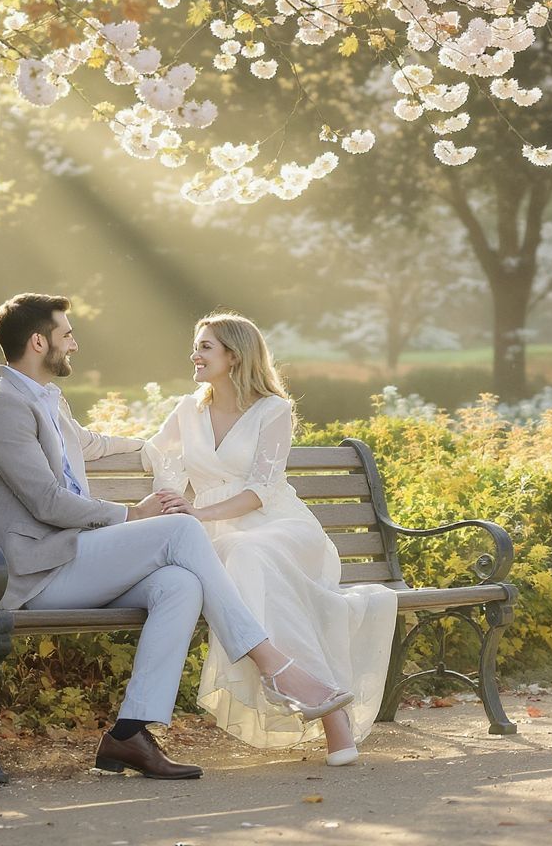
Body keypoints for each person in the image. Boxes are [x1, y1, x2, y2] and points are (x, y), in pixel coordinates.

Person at [0, 294, 359, 779]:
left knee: (180, 584)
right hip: (37, 572)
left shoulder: (43, 397)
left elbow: (89, 445)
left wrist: (164, 443)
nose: (74, 343)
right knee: (179, 527)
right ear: (38, 341)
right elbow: (48, 503)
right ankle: (274, 664)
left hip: (72, 560)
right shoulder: (3, 406)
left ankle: (129, 735)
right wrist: (134, 512)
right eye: (67, 334)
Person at [143, 312, 398, 765]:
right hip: (217, 535)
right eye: (196, 345)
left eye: (205, 346)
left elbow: (261, 491)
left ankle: (304, 691)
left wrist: (197, 511)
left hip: (280, 527)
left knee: (251, 553)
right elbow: (155, 452)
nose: (194, 354)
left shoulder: (273, 410)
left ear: (234, 357)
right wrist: (170, 487)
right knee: (243, 556)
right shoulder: (187, 409)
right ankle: (324, 702)